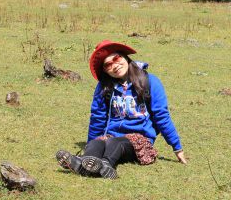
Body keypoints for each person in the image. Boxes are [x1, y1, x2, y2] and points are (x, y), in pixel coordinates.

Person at [56, 40, 187, 179]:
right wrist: (91, 144)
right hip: (111, 136)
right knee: (97, 142)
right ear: (105, 70)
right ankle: (83, 163)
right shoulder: (104, 87)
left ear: (125, 56)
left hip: (139, 140)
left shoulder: (151, 81)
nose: (114, 66)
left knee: (116, 143)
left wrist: (177, 147)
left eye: (116, 58)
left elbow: (162, 116)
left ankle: (106, 165)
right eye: (108, 65)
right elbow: (97, 117)